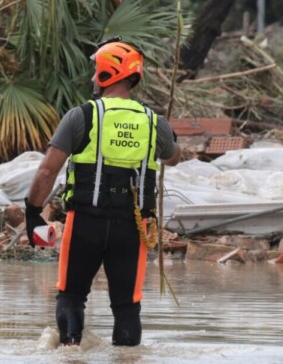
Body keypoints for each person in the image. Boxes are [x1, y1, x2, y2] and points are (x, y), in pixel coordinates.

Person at [25, 39, 179, 347]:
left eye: (97, 70)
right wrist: (169, 134)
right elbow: (173, 157)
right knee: (127, 307)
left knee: (71, 296)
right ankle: (127, 358)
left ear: (109, 73)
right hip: (133, 229)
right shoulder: (154, 122)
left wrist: (32, 212)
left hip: (85, 223)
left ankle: (70, 352)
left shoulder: (81, 116)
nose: (94, 77)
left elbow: (47, 170)